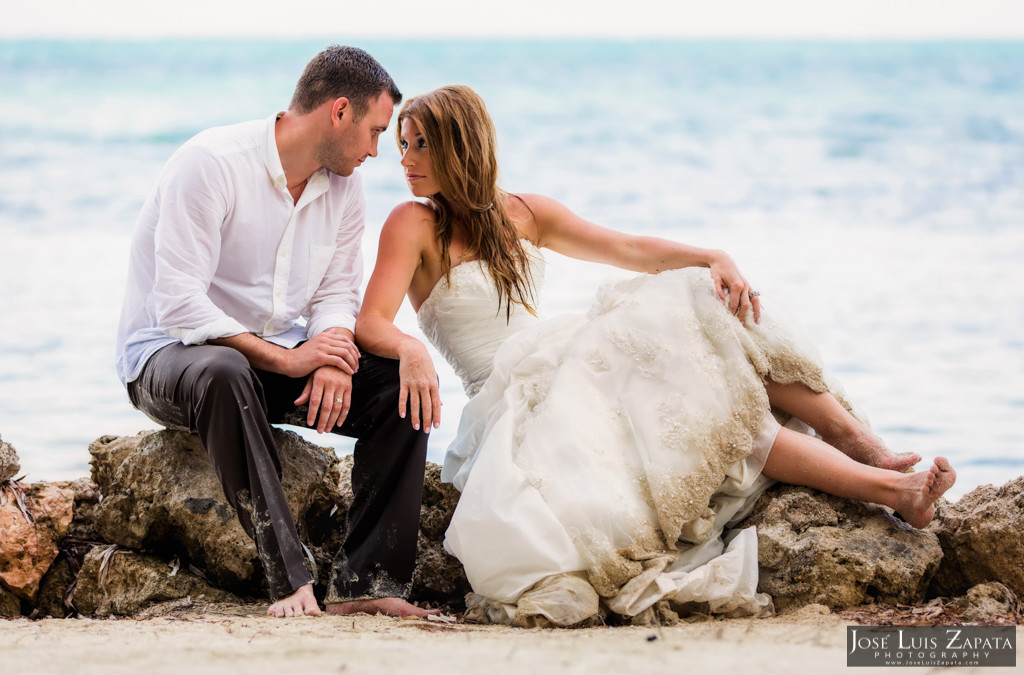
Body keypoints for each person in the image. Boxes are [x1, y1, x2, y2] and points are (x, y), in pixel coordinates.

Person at [353, 85, 956, 627]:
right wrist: (407, 346)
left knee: (702, 306)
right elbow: (371, 321)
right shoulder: (411, 224)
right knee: (720, 413)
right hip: (517, 401)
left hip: (571, 363)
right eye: (401, 142)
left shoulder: (523, 212)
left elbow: (626, 247)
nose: (403, 158)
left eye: (419, 143)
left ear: (461, 144)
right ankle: (893, 490)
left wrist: (711, 254)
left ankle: (866, 447)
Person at [115, 46, 435, 619]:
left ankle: (369, 582)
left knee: (399, 390)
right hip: (171, 359)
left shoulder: (344, 187)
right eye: (375, 131)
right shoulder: (211, 163)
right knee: (225, 367)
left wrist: (333, 356)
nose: (376, 151)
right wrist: (291, 362)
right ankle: (287, 578)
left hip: (270, 361)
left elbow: (336, 292)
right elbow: (180, 306)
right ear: (339, 111)